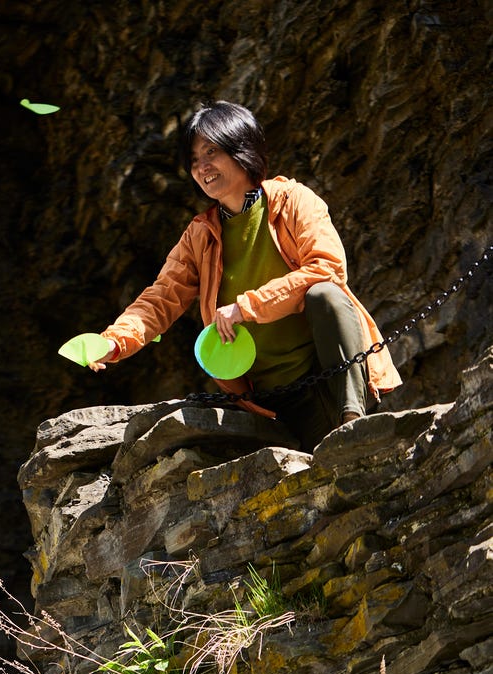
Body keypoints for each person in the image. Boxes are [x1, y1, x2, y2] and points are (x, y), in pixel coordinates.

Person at [89, 101, 402, 451]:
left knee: (325, 294)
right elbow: (161, 298)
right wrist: (115, 341)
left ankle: (352, 417)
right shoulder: (200, 235)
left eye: (212, 151)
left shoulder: (293, 200)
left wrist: (246, 307)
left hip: (332, 377)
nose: (202, 167)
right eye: (193, 160)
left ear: (243, 149)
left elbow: (327, 268)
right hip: (273, 400)